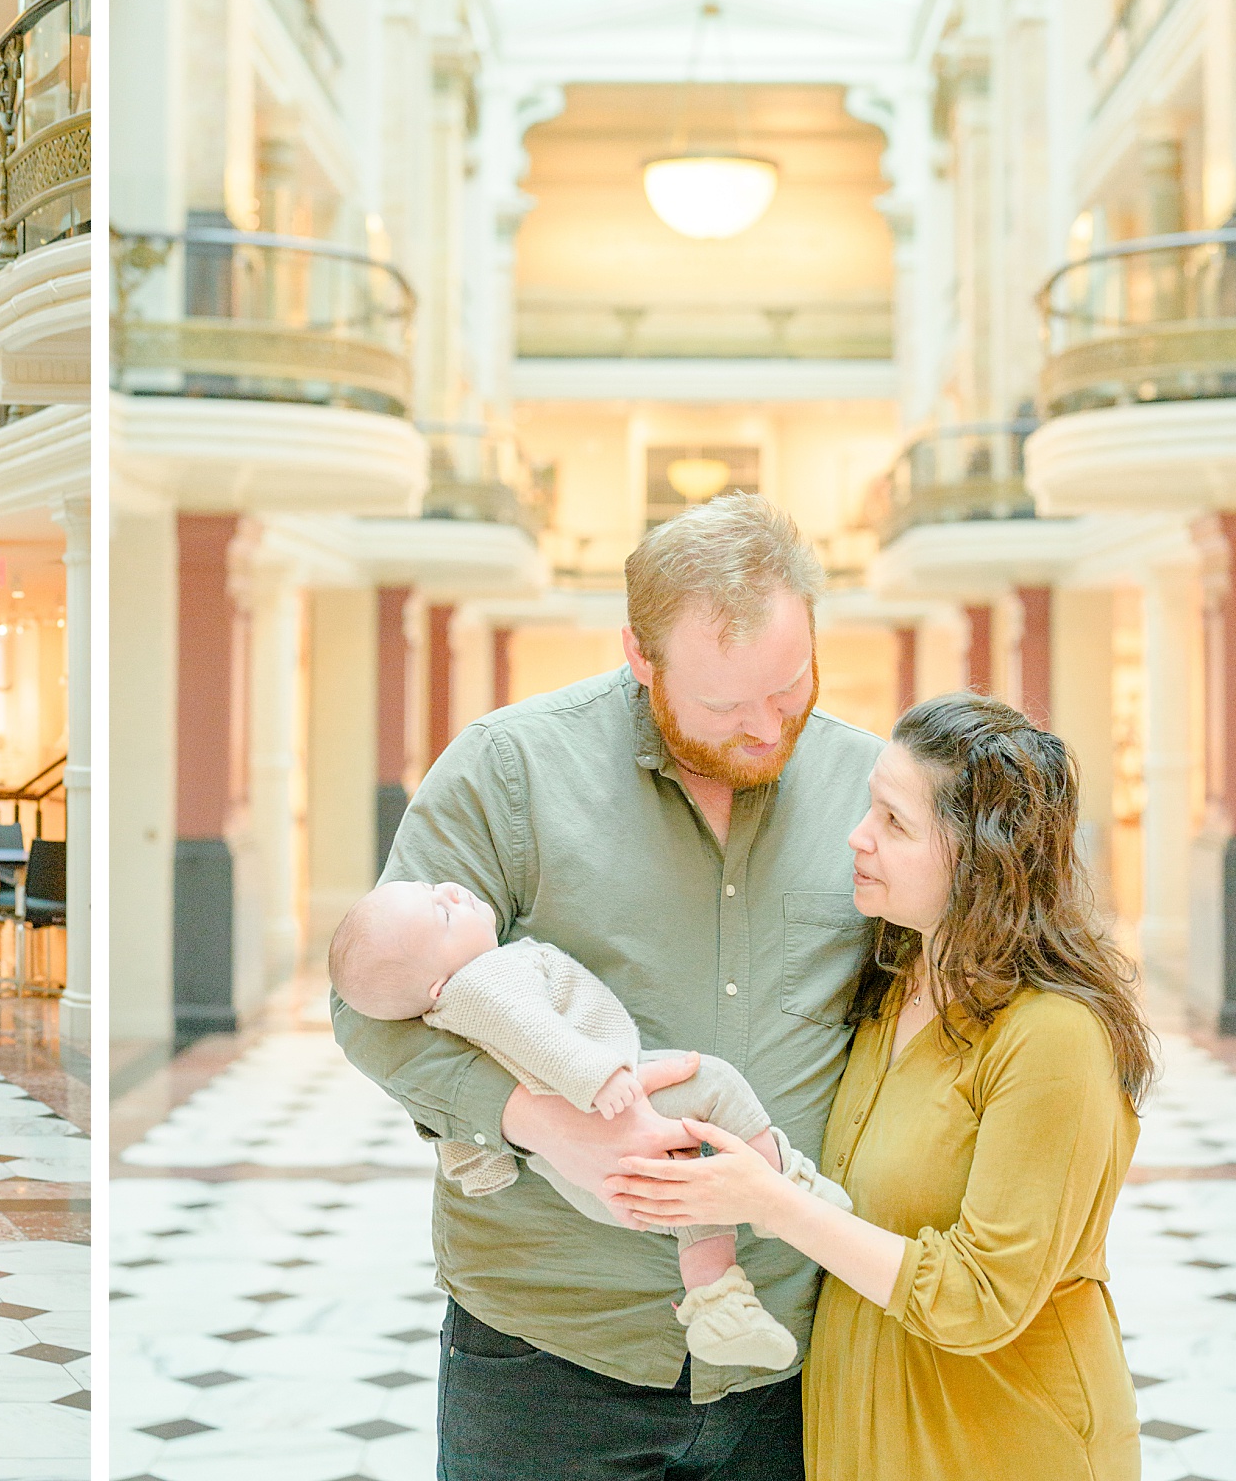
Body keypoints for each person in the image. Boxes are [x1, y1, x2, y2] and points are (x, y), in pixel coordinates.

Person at [334, 493, 880, 1481]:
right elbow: (365, 1009)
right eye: (722, 705)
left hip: (798, 1354)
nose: (764, 727)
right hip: (549, 1347)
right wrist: (541, 1119)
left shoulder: (871, 785)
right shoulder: (508, 770)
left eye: (790, 686)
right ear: (640, 653)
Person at [605, 693, 1149, 1481]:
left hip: (998, 1440)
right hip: (865, 1428)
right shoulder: (900, 977)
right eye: (870, 808)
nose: (858, 838)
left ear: (981, 854)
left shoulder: (1052, 1034)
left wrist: (768, 1201)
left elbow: (979, 1297)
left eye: (895, 823)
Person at [330, 879, 853, 1370]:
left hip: (577, 1170)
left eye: (434, 890)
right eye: (443, 914)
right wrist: (597, 1078)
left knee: (688, 1190)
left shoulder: (448, 1009)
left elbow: (468, 1121)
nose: (451, 890)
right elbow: (537, 1033)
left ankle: (717, 1301)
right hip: (603, 1102)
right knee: (715, 1081)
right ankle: (786, 1183)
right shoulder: (486, 981)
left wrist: (485, 1162)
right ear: (438, 981)